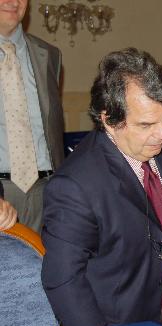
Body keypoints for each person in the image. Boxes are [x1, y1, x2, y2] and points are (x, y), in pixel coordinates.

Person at [41, 48, 162, 326]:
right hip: (125, 322)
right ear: (109, 120)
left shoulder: (159, 147)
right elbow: (63, 280)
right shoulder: (75, 186)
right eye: (147, 124)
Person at [0, 0, 65, 234]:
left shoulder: (49, 55)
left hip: (46, 192)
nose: (12, 1)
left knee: (46, 269)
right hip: (3, 192)